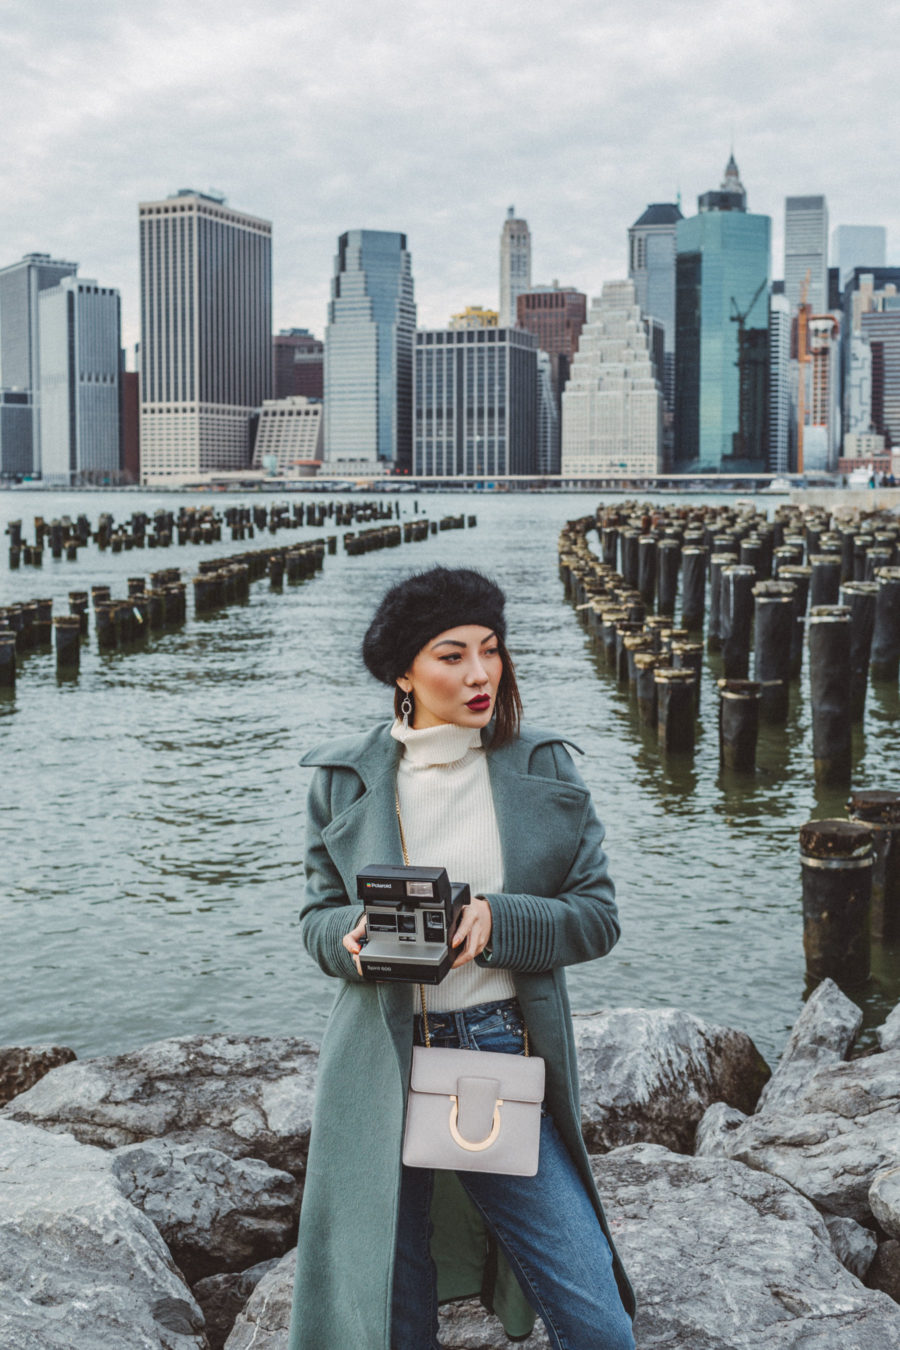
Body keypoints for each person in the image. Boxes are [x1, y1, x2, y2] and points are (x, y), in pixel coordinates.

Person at [288, 566, 635, 1350]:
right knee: (389, 1310)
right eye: (452, 655)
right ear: (403, 671)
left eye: (491, 650)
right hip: (378, 1060)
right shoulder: (343, 779)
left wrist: (495, 921)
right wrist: (352, 940)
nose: (480, 674)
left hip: (493, 1054)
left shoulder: (542, 765)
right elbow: (314, 920)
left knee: (595, 1313)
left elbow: (598, 917)